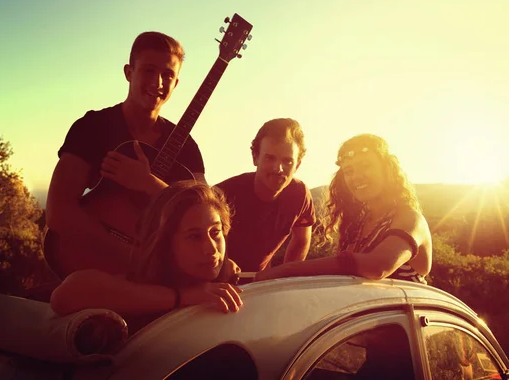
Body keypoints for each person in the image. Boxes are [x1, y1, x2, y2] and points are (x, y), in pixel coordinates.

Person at [45, 31, 206, 277]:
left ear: (176, 83)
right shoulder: (93, 127)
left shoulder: (186, 145)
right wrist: (130, 255)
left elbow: (204, 212)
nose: (158, 83)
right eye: (149, 70)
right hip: (95, 270)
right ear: (129, 72)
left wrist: (149, 184)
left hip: (154, 275)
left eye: (168, 75)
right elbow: (59, 211)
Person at [50, 181, 243, 333]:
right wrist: (180, 297)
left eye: (215, 232)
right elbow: (64, 296)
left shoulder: (228, 280)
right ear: (165, 244)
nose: (210, 249)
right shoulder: (143, 287)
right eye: (194, 236)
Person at [255, 133, 432, 283]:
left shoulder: (410, 218)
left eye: (366, 166)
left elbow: (377, 266)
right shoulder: (357, 223)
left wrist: (286, 270)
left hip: (406, 320)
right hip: (361, 319)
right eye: (349, 171)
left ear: (387, 169)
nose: (357, 177)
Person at [215, 118, 316, 273]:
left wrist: (286, 275)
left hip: (260, 283)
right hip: (215, 282)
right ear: (255, 157)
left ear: (297, 165)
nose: (278, 168)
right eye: (270, 158)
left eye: (288, 161)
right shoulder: (220, 195)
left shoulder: (300, 194)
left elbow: (302, 240)